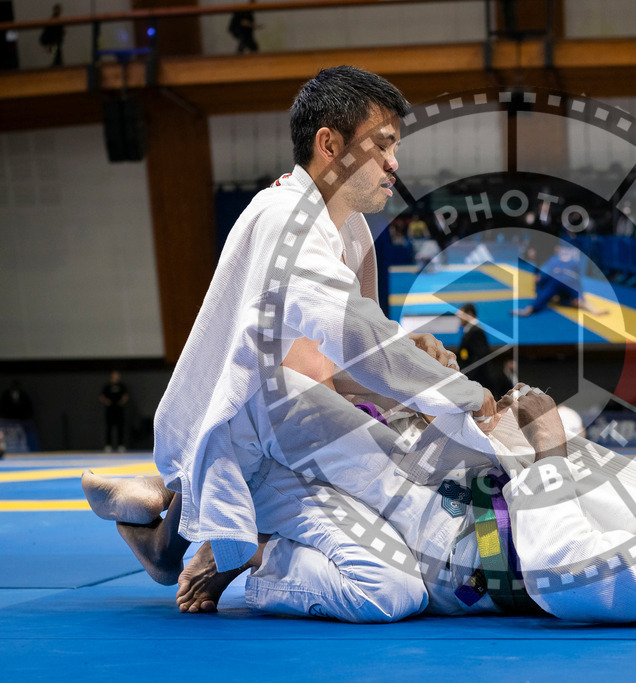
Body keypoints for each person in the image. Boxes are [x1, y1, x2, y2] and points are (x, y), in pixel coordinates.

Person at [83, 66, 497, 606]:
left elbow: (347, 358)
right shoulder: (287, 221)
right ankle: (189, 516)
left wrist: (409, 362)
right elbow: (354, 341)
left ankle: (165, 522)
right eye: (383, 145)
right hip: (252, 427)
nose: (395, 162)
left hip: (281, 417)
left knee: (410, 486)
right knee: (397, 534)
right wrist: (461, 394)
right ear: (329, 143)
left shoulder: (348, 229)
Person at [88, 378, 636, 623]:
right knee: (314, 422)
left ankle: (201, 530)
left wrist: (551, 446)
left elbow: (569, 573)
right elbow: (575, 476)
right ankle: (193, 523)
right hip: (459, 504)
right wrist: (528, 423)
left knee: (380, 584)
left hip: (458, 544)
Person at [512, 243, 607, 317]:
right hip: (571, 283)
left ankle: (529, 309)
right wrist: (580, 295)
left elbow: (545, 276)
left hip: (556, 280)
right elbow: (577, 280)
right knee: (573, 300)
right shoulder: (574, 262)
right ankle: (591, 308)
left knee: (548, 290)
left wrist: (538, 289)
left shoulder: (553, 260)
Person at [456, 303, 496, 391]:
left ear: (469, 314)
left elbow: (479, 357)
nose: (459, 318)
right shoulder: (470, 331)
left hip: (479, 382)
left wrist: (467, 378)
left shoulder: (476, 331)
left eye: (461, 315)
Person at [99, 371, 129, 452]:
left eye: (117, 376)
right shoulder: (107, 386)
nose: (115, 378)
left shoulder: (121, 386)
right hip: (110, 410)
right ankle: (108, 445)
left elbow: (125, 396)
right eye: (114, 376)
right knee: (109, 428)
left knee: (120, 428)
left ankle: (120, 445)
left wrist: (121, 402)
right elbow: (102, 396)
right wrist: (107, 402)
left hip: (119, 409)